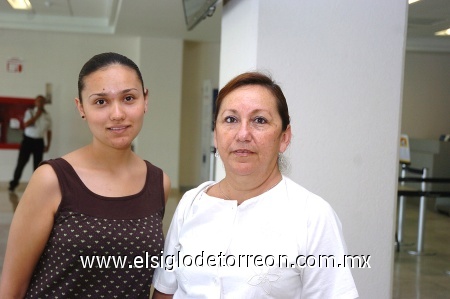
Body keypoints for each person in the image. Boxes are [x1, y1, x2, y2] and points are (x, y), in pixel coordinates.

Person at [152, 72, 358, 298]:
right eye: (231, 119)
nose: (242, 134)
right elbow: (165, 291)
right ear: (215, 135)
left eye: (259, 120)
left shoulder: (312, 216)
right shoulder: (192, 203)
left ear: (284, 137)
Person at [0, 52, 171, 298]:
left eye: (129, 98)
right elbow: (12, 290)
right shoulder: (53, 179)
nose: (117, 114)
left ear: (145, 100)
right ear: (81, 107)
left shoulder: (158, 183)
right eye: (101, 101)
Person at [8, 95, 52, 192]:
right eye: (38, 101)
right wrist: (37, 115)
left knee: (38, 166)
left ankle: (36, 187)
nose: (40, 103)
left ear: (44, 103)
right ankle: (13, 184)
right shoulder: (30, 112)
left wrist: (48, 144)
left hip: (39, 142)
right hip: (28, 141)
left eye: (42, 101)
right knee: (21, 163)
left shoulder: (48, 116)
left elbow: (49, 131)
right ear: (35, 102)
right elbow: (26, 124)